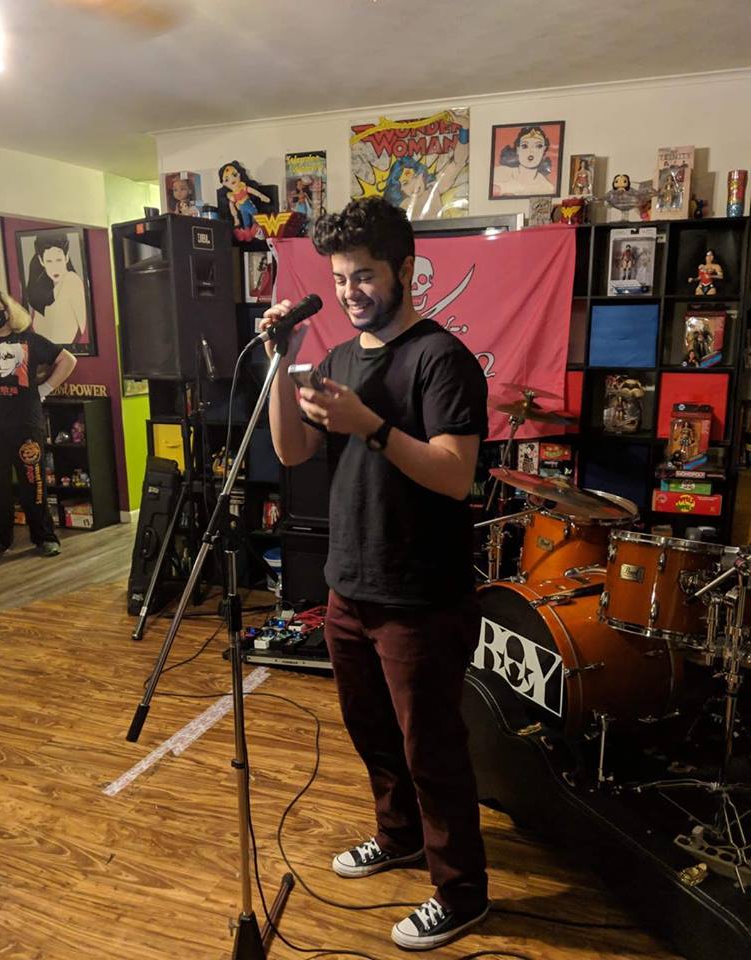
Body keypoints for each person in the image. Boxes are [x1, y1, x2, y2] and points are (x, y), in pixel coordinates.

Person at [262, 197, 489, 950]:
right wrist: (281, 360)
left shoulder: (442, 359)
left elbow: (455, 475)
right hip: (349, 584)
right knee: (372, 734)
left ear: (404, 269)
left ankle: (462, 892)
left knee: (432, 750)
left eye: (363, 275)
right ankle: (399, 837)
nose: (351, 290)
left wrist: (372, 425)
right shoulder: (334, 359)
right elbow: (293, 451)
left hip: (420, 594)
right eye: (339, 278)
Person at [0, 289, 76, 562]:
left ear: (8, 310)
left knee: (33, 484)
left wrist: (45, 389)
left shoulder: (29, 340)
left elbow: (68, 360)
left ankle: (45, 537)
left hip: (26, 425)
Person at [26, 231, 88, 347]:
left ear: (66, 257)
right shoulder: (41, 291)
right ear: (41, 261)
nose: (55, 267)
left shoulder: (72, 281)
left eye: (58, 260)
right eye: (49, 261)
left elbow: (85, 332)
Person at [491, 125, 554, 197]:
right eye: (525, 146)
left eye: (538, 146)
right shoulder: (499, 172)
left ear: (544, 150)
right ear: (518, 150)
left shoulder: (547, 187)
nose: (531, 151)